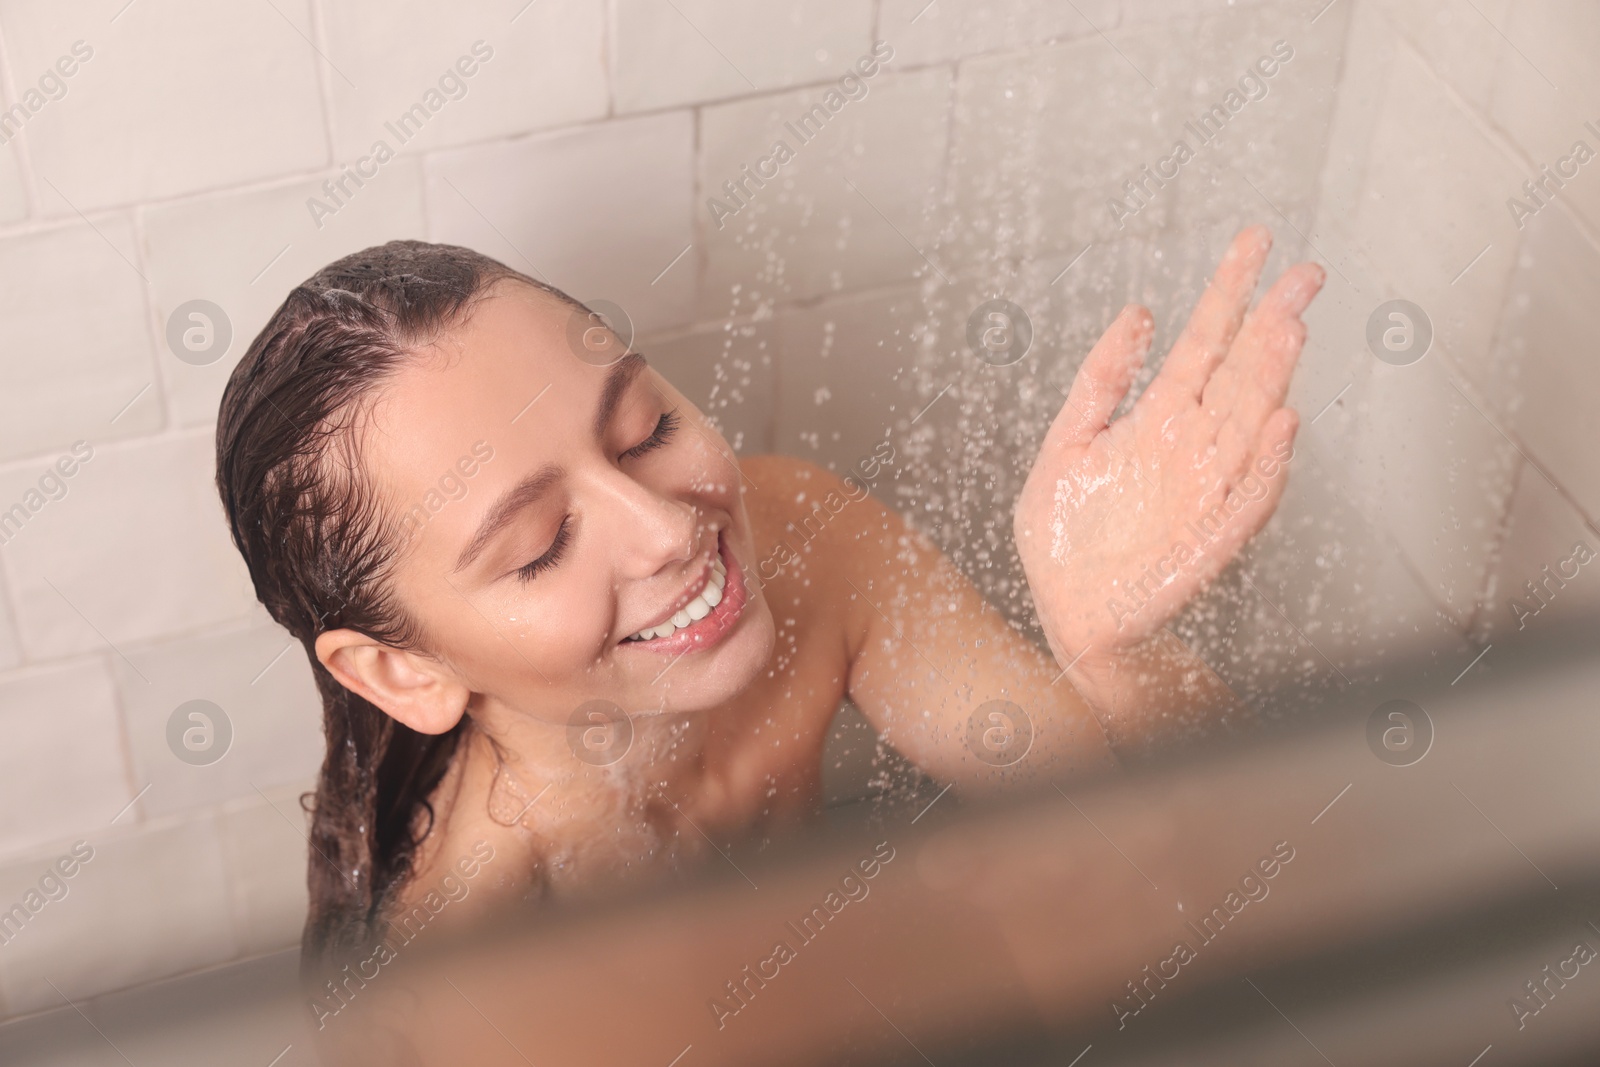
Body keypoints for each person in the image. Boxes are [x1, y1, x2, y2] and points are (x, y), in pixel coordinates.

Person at [213, 225, 1324, 974]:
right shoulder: (478, 971)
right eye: (543, 545)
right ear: (404, 669)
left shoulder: (801, 541)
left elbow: (1199, 857)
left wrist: (1110, 646)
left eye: (646, 426)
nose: (668, 523)